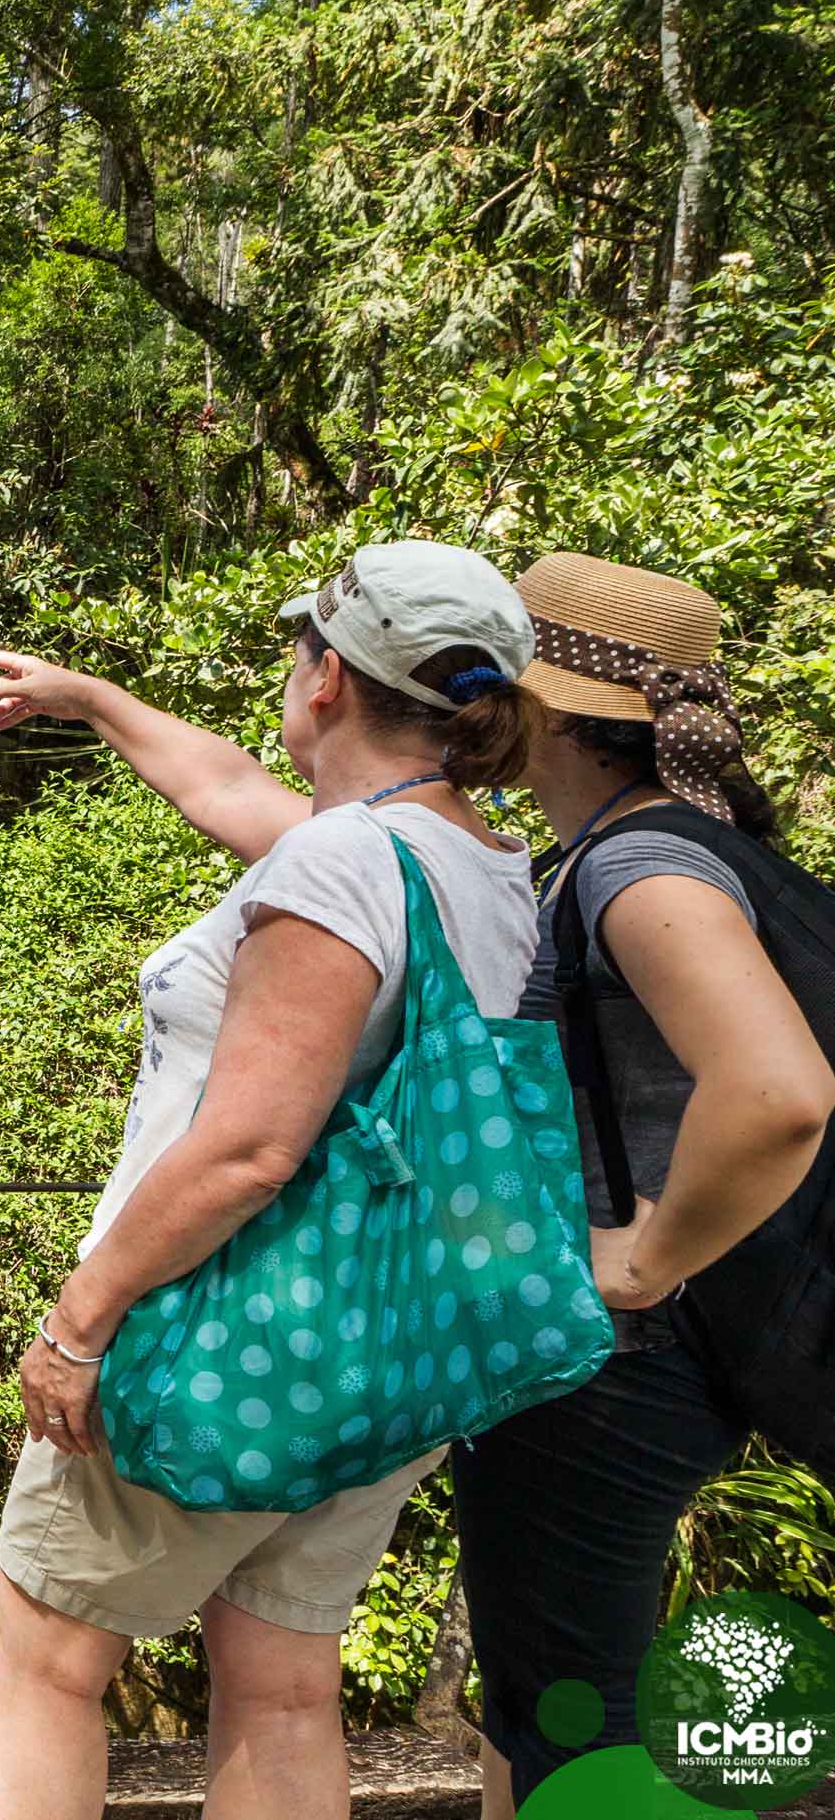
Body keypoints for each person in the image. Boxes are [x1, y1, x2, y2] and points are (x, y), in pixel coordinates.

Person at [0, 539, 543, 1820]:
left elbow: (248, 1148)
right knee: (281, 1685)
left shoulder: (342, 865)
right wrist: (96, 701)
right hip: (378, 1350)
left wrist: (77, 1324)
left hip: (219, 1330)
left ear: (326, 678)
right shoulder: (480, 870)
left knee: (45, 1665)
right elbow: (227, 787)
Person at [448, 553, 835, 1817]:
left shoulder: (634, 869)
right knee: (548, 1698)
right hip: (707, 1339)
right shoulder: (666, 848)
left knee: (571, 1711)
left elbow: (775, 1091)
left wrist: (640, 1256)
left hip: (630, 1354)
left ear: (547, 705)